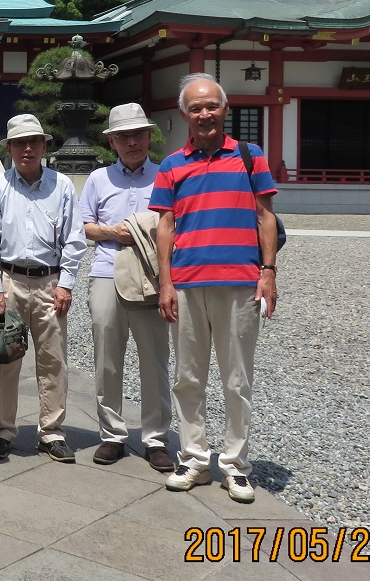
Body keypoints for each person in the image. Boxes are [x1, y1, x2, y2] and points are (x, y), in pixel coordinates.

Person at [151, 73, 278, 503]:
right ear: (183, 114)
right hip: (186, 284)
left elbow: (265, 218)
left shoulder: (249, 156)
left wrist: (269, 271)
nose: (204, 114)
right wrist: (165, 281)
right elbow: (165, 227)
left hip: (239, 282)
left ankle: (237, 464)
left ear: (225, 109)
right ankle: (193, 457)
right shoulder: (171, 165)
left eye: (212, 106)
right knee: (188, 377)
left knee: (237, 378)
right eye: (195, 107)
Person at [0, 114, 86, 464]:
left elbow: (74, 239)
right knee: (6, 357)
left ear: (44, 146)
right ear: (8, 148)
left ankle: (52, 431)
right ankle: (2, 429)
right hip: (9, 281)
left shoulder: (62, 186)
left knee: (53, 359)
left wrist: (67, 284)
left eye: (34, 142)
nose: (27, 149)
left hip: (50, 282)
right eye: (20, 143)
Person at [79, 103, 174, 471]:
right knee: (107, 358)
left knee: (154, 359)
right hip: (106, 269)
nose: (132, 142)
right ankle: (112, 434)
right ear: (112, 142)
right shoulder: (99, 179)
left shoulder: (166, 175)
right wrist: (113, 232)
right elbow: (83, 226)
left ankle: (155, 438)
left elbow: (176, 222)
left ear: (149, 136)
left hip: (152, 273)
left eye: (137, 134)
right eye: (123, 136)